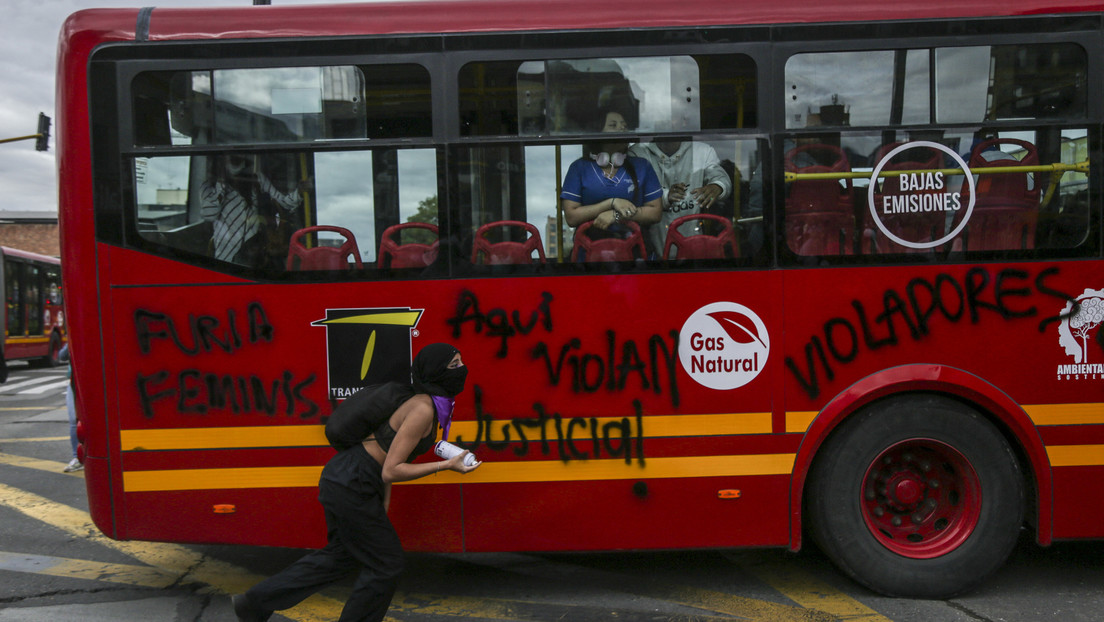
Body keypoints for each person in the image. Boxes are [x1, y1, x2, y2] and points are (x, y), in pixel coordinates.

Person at [233, 343, 480, 622]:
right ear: (437, 372)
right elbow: (392, 469)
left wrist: (382, 500)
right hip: (353, 480)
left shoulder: (424, 403)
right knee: (386, 565)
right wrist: (448, 465)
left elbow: (386, 456)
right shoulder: (422, 409)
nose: (462, 370)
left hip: (350, 477)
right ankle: (255, 603)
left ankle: (253, 604)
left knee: (342, 556)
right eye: (454, 365)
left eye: (461, 363)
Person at [560, 108, 662, 257]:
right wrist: (611, 203)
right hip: (589, 255)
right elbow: (571, 216)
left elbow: (654, 212)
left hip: (634, 254)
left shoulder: (642, 166)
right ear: (598, 132)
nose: (622, 129)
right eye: (613, 125)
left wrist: (616, 216)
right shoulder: (579, 168)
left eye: (624, 126)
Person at [628, 139, 732, 258]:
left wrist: (717, 186)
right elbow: (633, 193)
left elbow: (720, 177)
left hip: (695, 253)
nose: (669, 122)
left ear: (684, 121)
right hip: (653, 256)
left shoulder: (702, 151)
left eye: (674, 119)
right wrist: (666, 196)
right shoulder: (638, 152)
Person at [200, 154, 304, 267]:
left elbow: (283, 203)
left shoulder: (256, 179)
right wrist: (221, 184)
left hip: (253, 255)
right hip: (226, 255)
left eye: (238, 158)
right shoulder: (209, 187)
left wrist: (299, 192)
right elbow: (209, 214)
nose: (234, 161)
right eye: (230, 158)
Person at [59, 343, 81, 472]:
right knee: (73, 420)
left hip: (90, 380)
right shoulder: (72, 340)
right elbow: (62, 356)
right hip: (73, 382)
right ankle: (77, 457)